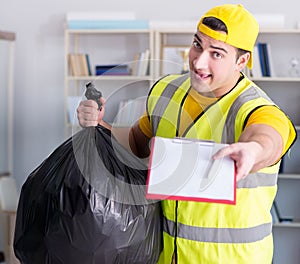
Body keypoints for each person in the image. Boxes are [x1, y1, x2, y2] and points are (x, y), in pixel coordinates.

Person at [77, 3, 296, 263]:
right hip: (168, 257)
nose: (198, 61)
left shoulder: (255, 108)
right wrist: (102, 125)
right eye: (197, 45)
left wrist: (254, 150)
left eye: (216, 54)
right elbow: (136, 143)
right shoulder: (166, 91)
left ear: (242, 60)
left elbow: (269, 135)